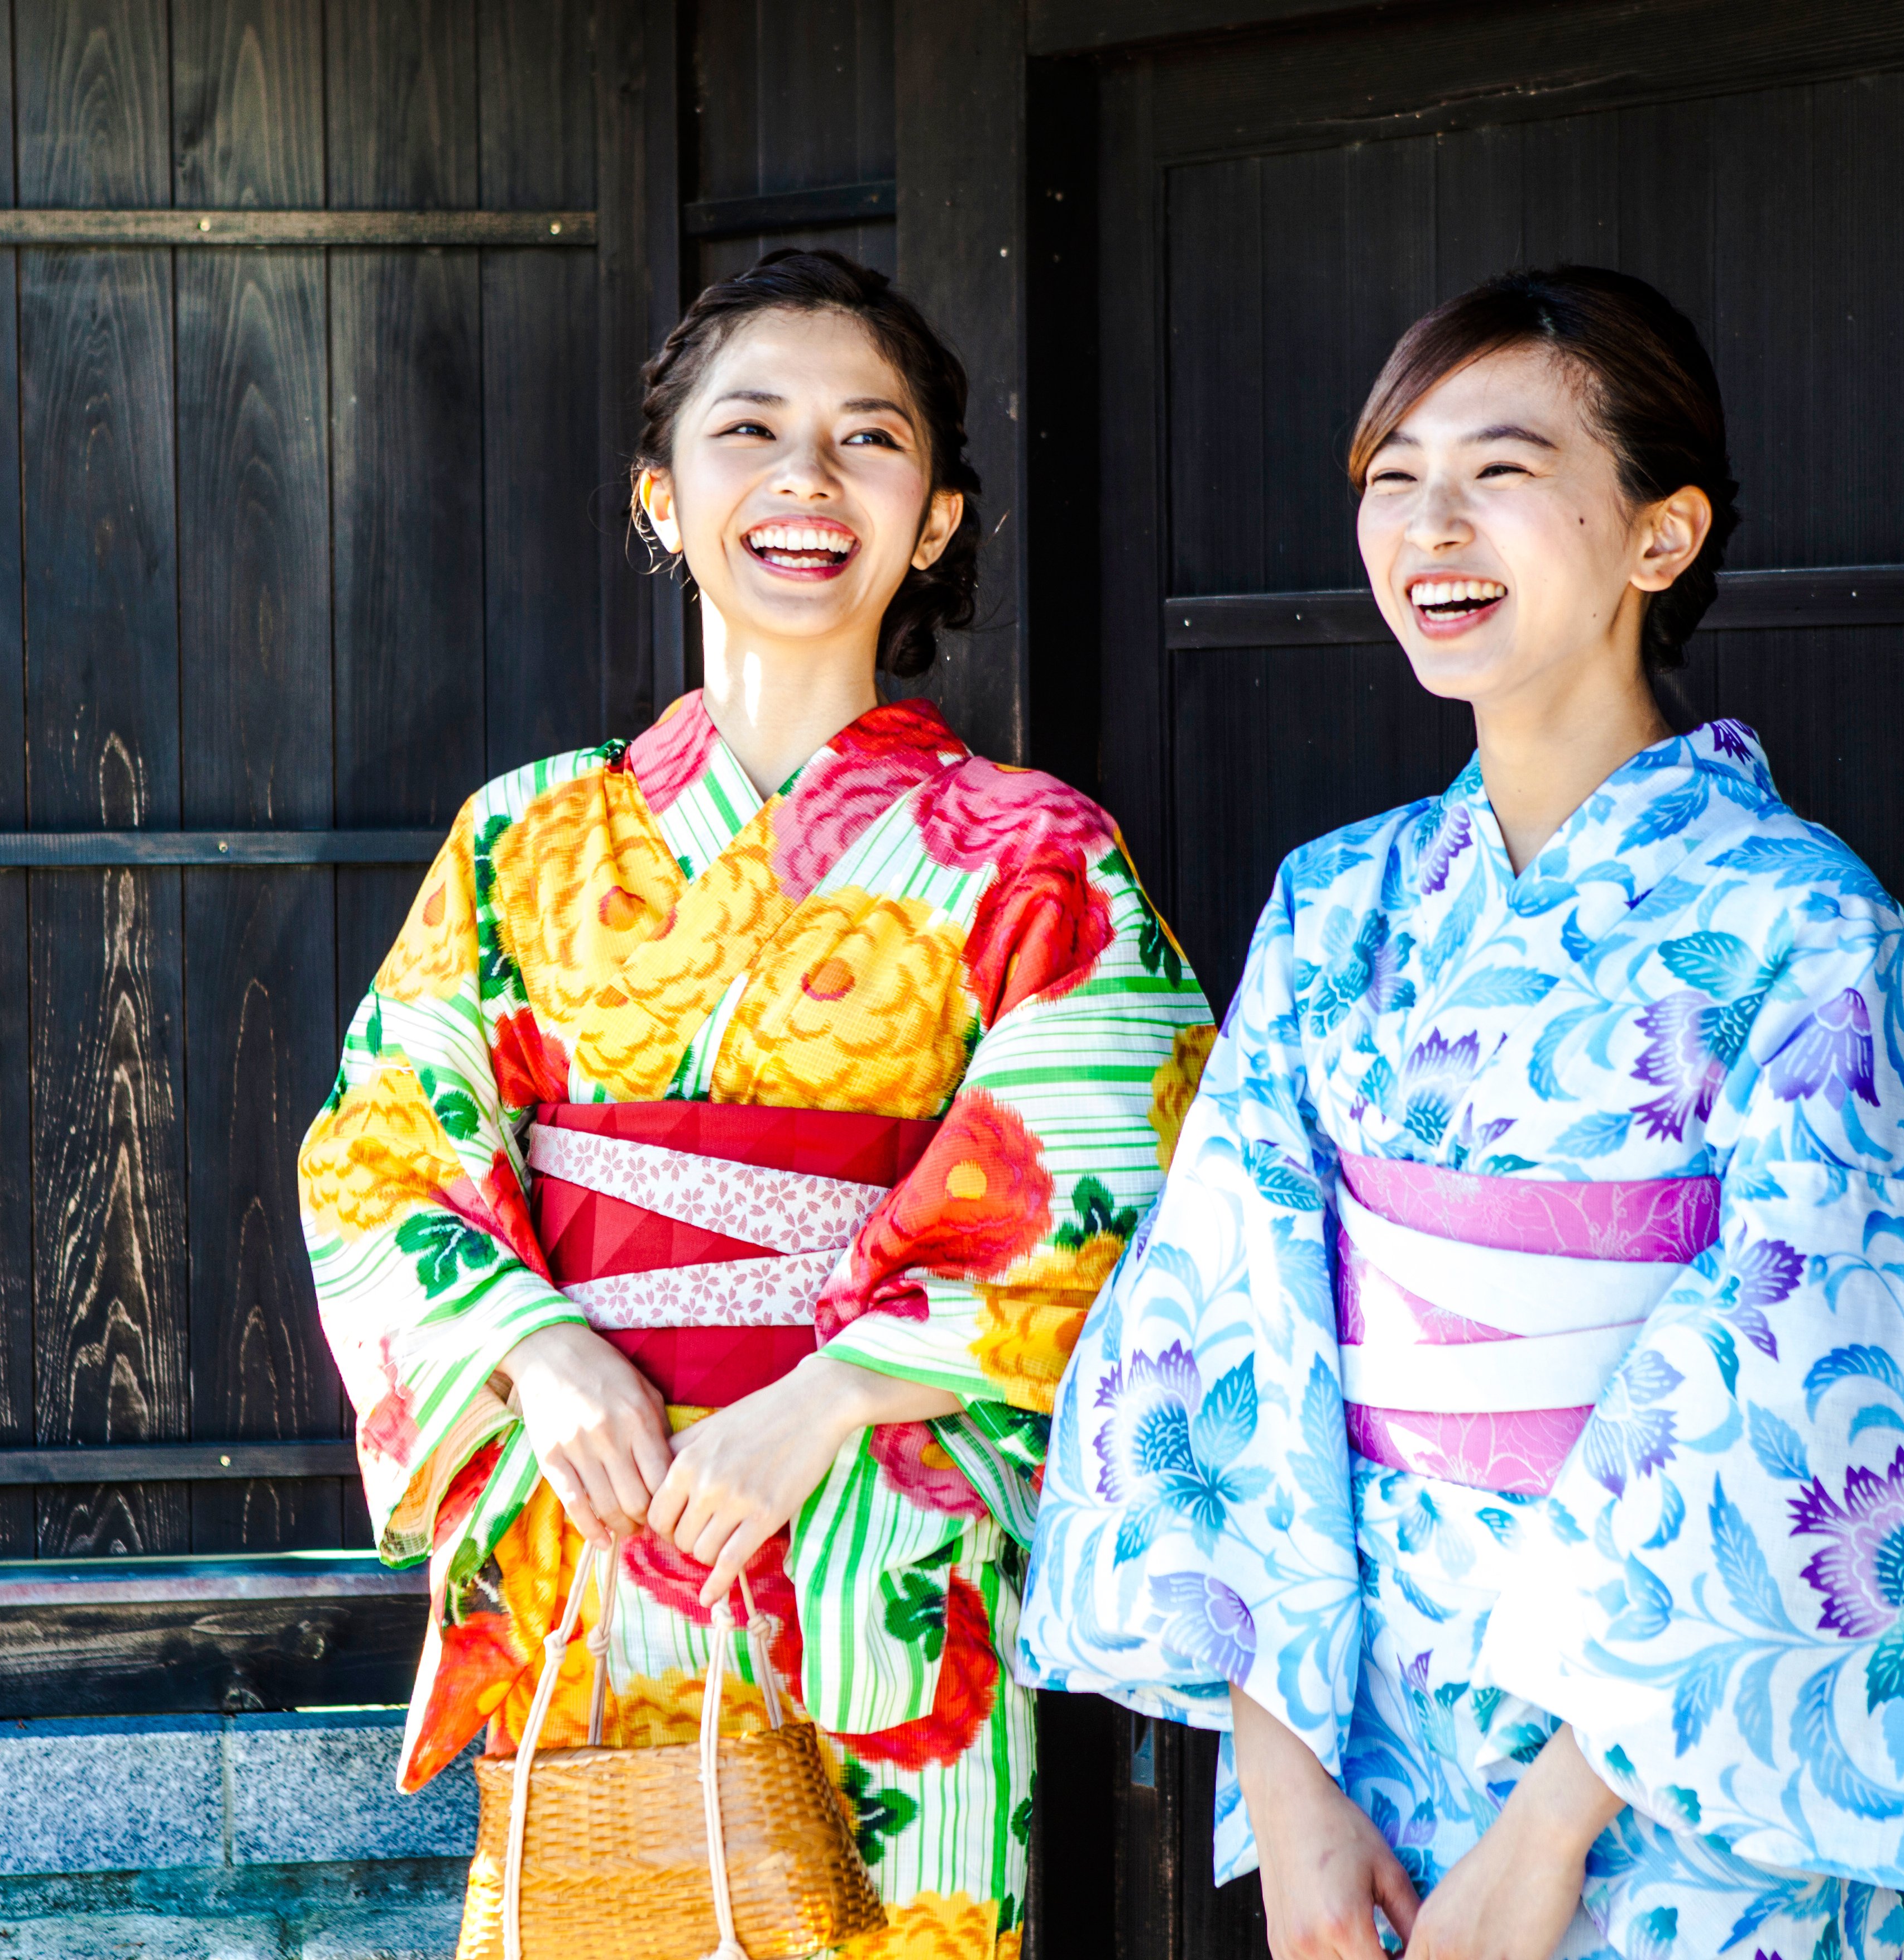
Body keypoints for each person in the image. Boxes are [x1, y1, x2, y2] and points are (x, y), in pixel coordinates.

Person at [1016, 267, 1904, 1960]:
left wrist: (1552, 1836)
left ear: (1659, 538)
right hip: (1360, 1735)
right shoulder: (1335, 908)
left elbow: (1822, 1397)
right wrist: (1290, 1777)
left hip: (1654, 1780)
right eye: (1395, 476)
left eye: (1504, 467)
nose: (1430, 524)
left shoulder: (1808, 934)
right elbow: (1213, 1320)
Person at [299, 247, 1216, 1959]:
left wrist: (833, 1396)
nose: (806, 482)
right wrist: (533, 1350)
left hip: (876, 1521)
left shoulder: (1037, 852)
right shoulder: (524, 838)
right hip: (597, 1505)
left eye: (870, 441)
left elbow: (1121, 1175)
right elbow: (381, 1147)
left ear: (934, 518)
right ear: (665, 496)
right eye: (751, 431)